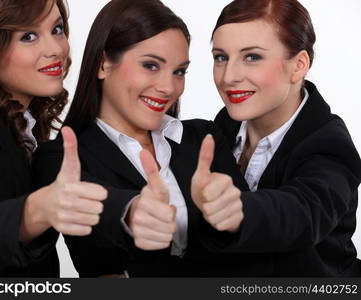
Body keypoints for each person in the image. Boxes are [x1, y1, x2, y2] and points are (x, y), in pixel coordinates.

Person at [34, 0, 249, 277]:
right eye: (150, 65)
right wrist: (132, 212)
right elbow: (96, 208)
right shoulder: (61, 157)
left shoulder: (204, 138)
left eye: (179, 71)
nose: (168, 87)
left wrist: (230, 216)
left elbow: (250, 247)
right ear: (103, 64)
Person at [0, 0, 107, 277]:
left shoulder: (23, 126)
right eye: (28, 36)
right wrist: (40, 208)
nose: (56, 49)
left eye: (57, 29)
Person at [200, 0, 361, 276]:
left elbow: (304, 212)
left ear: (298, 65)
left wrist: (237, 210)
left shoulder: (330, 144)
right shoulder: (223, 127)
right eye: (220, 57)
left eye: (252, 57)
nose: (229, 77)